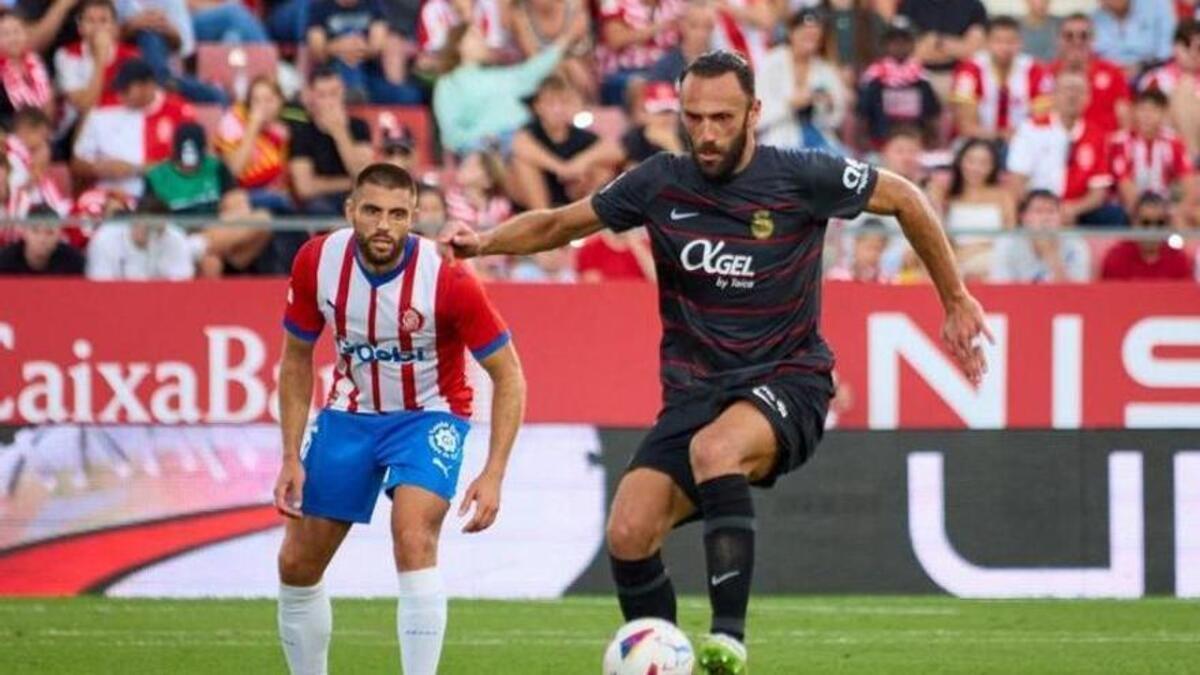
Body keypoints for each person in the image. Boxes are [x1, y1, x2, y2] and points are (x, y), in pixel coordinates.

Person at [441, 50, 991, 673]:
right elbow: (562, 225)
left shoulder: (802, 176)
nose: (705, 133)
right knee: (628, 530)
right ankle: (664, 659)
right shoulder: (659, 181)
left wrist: (953, 298)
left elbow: (907, 198)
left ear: (754, 112)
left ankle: (727, 642)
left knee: (715, 452)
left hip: (791, 381)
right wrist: (483, 243)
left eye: (722, 118)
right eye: (694, 117)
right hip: (695, 395)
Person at [273, 162, 526, 675]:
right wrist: (288, 456)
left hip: (429, 413)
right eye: (371, 211)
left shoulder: (449, 277)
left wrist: (494, 472)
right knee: (297, 563)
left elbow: (510, 375)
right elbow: (297, 358)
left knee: (412, 533)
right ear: (351, 211)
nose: (383, 225)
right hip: (350, 411)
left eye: (396, 214)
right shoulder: (317, 261)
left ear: (414, 217)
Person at [433, 20, 585, 155]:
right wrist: (484, 139)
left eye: (481, 36)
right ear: (458, 45)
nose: (482, 40)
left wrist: (565, 40)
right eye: (474, 36)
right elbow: (451, 136)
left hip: (528, 134)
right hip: (491, 148)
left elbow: (531, 72)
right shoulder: (448, 84)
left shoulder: (497, 75)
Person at [1006, 71, 1123, 226]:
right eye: (1067, 89)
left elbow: (1098, 193)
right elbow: (1016, 182)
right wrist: (1046, 211)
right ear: (1053, 96)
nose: (1072, 96)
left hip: (1077, 209)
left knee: (1115, 215)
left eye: (1079, 91)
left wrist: (1073, 209)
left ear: (1088, 98)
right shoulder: (1031, 128)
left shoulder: (1097, 136)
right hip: (1037, 207)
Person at [71, 57, 195, 199]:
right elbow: (76, 164)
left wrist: (135, 169)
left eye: (125, 90)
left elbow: (191, 162)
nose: (120, 96)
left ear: (148, 86)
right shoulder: (103, 112)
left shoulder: (179, 112)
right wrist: (98, 168)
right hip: (109, 196)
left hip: (163, 196)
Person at [510, 73, 622, 209]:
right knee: (522, 164)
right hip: (542, 194)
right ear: (538, 107)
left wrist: (580, 163)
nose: (557, 109)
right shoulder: (530, 132)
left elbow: (616, 150)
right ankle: (542, 216)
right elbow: (520, 146)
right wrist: (561, 168)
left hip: (573, 193)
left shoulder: (580, 135)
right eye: (550, 103)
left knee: (602, 168)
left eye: (563, 102)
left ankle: (588, 213)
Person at [757, 8, 847, 152]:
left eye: (814, 37)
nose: (809, 41)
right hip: (778, 138)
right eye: (805, 35)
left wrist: (828, 104)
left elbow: (836, 118)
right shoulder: (771, 62)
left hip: (818, 140)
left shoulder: (825, 70)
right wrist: (790, 105)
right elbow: (758, 116)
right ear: (792, 33)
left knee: (841, 158)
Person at [287, 66, 373, 215]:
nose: (329, 102)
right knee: (319, 208)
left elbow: (362, 175)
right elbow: (305, 188)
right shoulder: (301, 132)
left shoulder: (359, 127)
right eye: (322, 95)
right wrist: (350, 183)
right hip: (321, 203)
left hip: (355, 199)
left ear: (342, 92)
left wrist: (340, 133)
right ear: (312, 96)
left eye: (334, 94)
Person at [950, 15, 1052, 142]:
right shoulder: (969, 70)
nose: (1005, 47)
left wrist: (1016, 138)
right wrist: (1000, 136)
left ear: (1021, 42)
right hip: (978, 142)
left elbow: (1041, 121)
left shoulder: (1035, 71)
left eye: (1011, 41)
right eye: (998, 41)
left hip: (1023, 142)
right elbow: (966, 126)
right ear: (987, 42)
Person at [1109, 88, 1198, 222]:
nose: (1147, 116)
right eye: (1143, 110)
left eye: (1153, 110)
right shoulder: (1120, 142)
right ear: (1135, 112)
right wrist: (1147, 211)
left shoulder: (1173, 142)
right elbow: (1125, 187)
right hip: (1127, 208)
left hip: (1164, 206)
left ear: (1163, 114)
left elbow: (1190, 185)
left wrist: (1180, 211)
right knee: (1140, 217)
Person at [306, 0, 420, 104]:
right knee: (348, 35)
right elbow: (318, 49)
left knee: (409, 96)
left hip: (368, 74)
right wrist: (339, 46)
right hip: (334, 76)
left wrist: (355, 46)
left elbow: (376, 45)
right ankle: (353, 90)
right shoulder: (320, 7)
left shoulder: (373, 5)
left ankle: (355, 91)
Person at [932, 138, 1015, 280]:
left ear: (993, 166)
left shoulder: (1003, 195)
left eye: (984, 163)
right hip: (957, 263)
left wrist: (974, 251)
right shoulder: (948, 196)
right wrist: (936, 197)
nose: (976, 168)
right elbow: (939, 236)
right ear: (960, 161)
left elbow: (1010, 236)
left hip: (994, 262)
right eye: (971, 161)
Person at [114, 0, 227, 103]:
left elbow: (185, 48)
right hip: (120, 64)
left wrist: (167, 29)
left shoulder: (171, 2)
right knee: (147, 33)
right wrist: (130, 27)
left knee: (151, 34)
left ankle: (161, 80)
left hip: (160, 60)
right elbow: (101, 35)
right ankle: (162, 80)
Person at [215, 75, 294, 214]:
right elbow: (235, 170)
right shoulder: (233, 123)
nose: (262, 106)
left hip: (276, 200)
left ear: (280, 102)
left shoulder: (284, 130)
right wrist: (253, 127)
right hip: (240, 196)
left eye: (269, 100)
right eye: (256, 101)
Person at [857, 18, 941, 148]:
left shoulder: (922, 79)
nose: (899, 45)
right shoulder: (874, 77)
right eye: (894, 41)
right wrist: (865, 142)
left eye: (905, 40)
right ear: (885, 44)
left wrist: (931, 141)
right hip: (881, 144)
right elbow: (863, 115)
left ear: (913, 44)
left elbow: (932, 115)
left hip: (917, 144)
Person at [54, 0, 141, 127]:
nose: (97, 27)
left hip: (121, 122)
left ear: (114, 27)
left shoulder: (132, 56)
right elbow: (84, 105)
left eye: (103, 21)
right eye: (90, 21)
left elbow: (136, 101)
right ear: (80, 27)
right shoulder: (67, 55)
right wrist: (100, 59)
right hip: (78, 124)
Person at [1050, 13, 1131, 135]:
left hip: (1105, 147)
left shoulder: (1113, 73)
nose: (1076, 41)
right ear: (1058, 40)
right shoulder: (1047, 74)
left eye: (1083, 36)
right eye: (1069, 36)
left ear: (1093, 39)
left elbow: (1126, 124)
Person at [990, 189, 1091, 283]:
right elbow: (1001, 286)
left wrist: (1052, 258)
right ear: (1024, 217)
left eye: (1051, 212)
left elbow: (1076, 290)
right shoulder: (1007, 243)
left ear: (1061, 217)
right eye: (1038, 211)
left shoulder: (1075, 243)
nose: (1046, 218)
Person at [596, 0, 685, 105]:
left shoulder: (676, 5)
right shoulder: (616, 4)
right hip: (625, 71)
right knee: (639, 85)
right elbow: (616, 40)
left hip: (666, 69)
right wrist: (658, 27)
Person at [510, 0, 595, 100]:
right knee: (565, 71)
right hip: (542, 76)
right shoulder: (520, 14)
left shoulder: (575, 6)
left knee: (577, 71)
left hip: (582, 74)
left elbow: (584, 52)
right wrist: (566, 43)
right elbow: (536, 61)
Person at [1140, 20, 1200, 157]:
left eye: (1199, 47)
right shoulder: (1156, 79)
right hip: (1166, 149)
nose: (1193, 52)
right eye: (1187, 44)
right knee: (1185, 87)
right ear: (1174, 47)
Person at [1101, 192, 1194, 279]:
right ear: (1133, 223)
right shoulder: (1117, 258)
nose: (1152, 230)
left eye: (1160, 223)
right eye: (1145, 223)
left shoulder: (1179, 260)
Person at [85, 216, 195, 279]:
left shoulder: (173, 238)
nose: (152, 236)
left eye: (157, 231)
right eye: (147, 228)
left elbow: (182, 281)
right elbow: (100, 283)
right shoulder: (106, 238)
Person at [0, 9, 53, 128]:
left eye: (17, 31)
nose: (13, 39)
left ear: (26, 33)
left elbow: (49, 103)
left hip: (41, 132)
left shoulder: (37, 61)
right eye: (6, 34)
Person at [1092, 0, 1175, 74]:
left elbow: (1167, 52)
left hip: (1153, 72)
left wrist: (1142, 67)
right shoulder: (1093, 21)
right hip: (1109, 78)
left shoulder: (1158, 5)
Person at [620, 79, 686, 166]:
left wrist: (674, 147)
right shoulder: (635, 140)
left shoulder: (687, 137)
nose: (668, 118)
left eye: (671, 111)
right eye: (660, 112)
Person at [647, 0, 713, 84]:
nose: (701, 33)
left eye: (707, 26)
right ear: (682, 26)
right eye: (694, 26)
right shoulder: (666, 66)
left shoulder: (722, 65)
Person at [0, 225, 84, 274]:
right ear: (24, 233)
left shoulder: (73, 261)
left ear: (59, 235)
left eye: (49, 232)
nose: (42, 239)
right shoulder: (5, 261)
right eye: (35, 231)